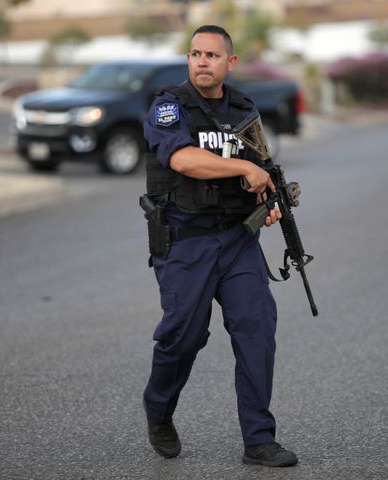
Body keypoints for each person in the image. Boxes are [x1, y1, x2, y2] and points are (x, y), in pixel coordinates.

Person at [140, 25, 298, 468]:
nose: (201, 61)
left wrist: (268, 202)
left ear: (230, 63)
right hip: (185, 242)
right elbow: (182, 159)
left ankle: (259, 439)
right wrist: (241, 170)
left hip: (237, 239)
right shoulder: (169, 107)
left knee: (256, 327)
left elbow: (261, 167)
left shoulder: (244, 107)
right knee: (184, 336)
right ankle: (159, 408)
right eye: (194, 53)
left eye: (211, 55)